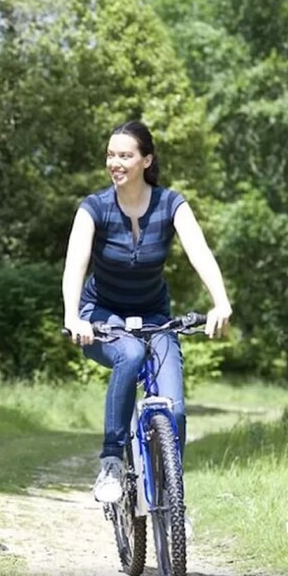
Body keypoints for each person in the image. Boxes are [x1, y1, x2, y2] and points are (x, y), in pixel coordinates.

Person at [61, 120, 232, 505]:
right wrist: (73, 316)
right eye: (110, 155)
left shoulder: (171, 204)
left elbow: (199, 252)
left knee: (176, 409)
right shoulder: (94, 208)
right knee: (131, 353)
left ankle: (172, 496)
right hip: (101, 313)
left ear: (146, 160)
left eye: (125, 155)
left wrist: (220, 300)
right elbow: (75, 264)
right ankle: (111, 462)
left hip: (156, 315)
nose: (115, 163)